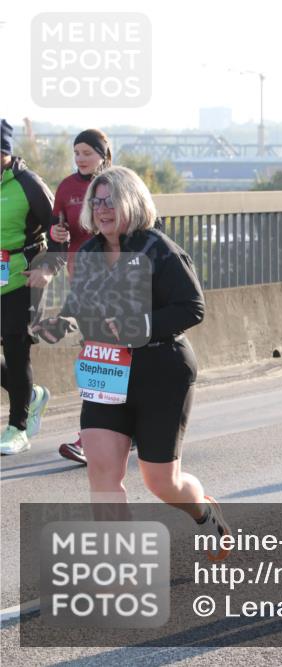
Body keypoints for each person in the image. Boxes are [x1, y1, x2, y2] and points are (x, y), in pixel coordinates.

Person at [32, 166, 231, 559]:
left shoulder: (158, 248)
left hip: (161, 372)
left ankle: (204, 512)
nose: (102, 209)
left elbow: (192, 308)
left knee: (162, 483)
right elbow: (78, 309)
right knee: (102, 472)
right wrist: (60, 325)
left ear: (132, 203)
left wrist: (136, 326)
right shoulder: (88, 252)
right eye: (96, 201)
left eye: (111, 200)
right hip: (106, 372)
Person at [49, 129, 114, 464]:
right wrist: (55, 233)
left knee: (106, 357)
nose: (80, 158)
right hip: (81, 283)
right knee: (97, 357)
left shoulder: (118, 184)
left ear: (103, 154)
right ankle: (103, 434)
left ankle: (95, 437)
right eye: (76, 152)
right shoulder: (66, 187)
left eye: (87, 152)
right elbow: (56, 231)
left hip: (116, 282)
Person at [1, 118, 59, 455]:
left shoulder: (28, 183)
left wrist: (48, 268)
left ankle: (17, 428)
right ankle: (32, 395)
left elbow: (58, 229)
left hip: (23, 278)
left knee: (15, 345)